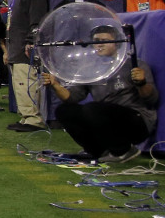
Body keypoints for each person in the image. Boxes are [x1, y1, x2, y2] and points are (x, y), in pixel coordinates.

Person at [46, 26, 158, 159]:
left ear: (117, 43)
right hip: (106, 118)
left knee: (92, 109)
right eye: (96, 41)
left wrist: (142, 83)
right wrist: (55, 85)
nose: (99, 45)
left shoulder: (135, 65)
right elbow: (71, 98)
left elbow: (152, 99)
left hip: (137, 121)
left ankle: (123, 151)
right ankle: (98, 152)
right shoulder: (90, 69)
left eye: (104, 41)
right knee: (64, 110)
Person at [3, 0, 50, 133]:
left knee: (26, 83)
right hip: (16, 45)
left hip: (24, 46)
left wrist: (30, 41)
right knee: (20, 84)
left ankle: (33, 119)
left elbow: (37, 20)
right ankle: (26, 117)